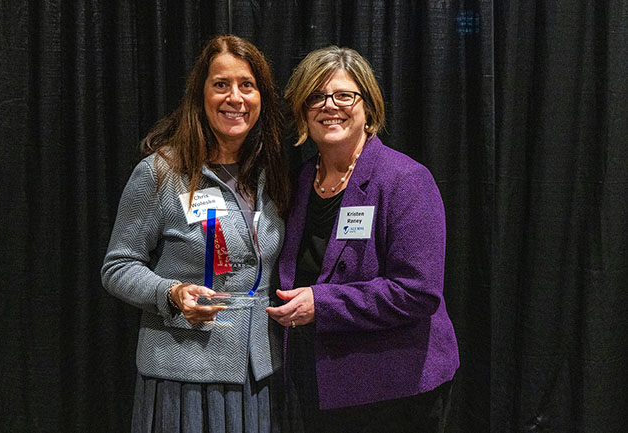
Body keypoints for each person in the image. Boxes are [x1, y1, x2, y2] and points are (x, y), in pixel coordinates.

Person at [102, 35, 289, 433]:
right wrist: (171, 294)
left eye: (247, 85)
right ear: (200, 94)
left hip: (258, 376)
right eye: (220, 84)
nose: (234, 97)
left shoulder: (270, 175)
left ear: (261, 98)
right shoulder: (161, 171)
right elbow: (117, 266)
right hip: (182, 377)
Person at [266, 46, 459, 433]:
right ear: (303, 111)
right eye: (316, 97)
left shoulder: (404, 179)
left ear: (368, 108)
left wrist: (322, 304)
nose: (329, 106)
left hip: (395, 390)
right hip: (322, 384)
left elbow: (418, 292)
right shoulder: (302, 181)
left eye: (343, 95)